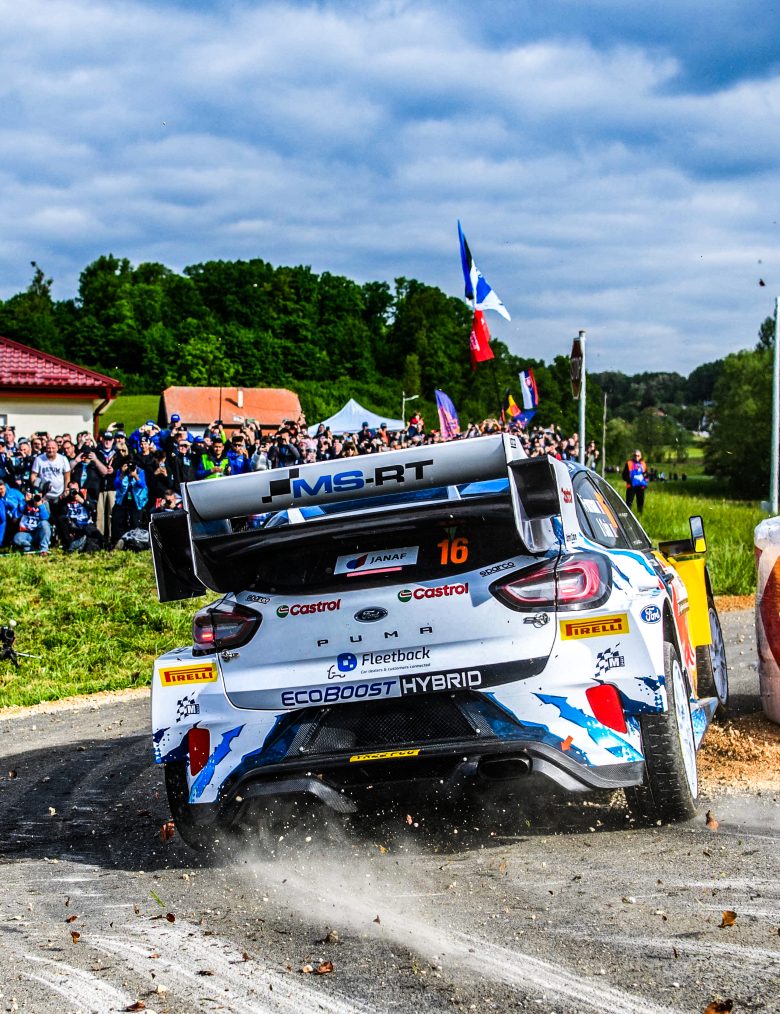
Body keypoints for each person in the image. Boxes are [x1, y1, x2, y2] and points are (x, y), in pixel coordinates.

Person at [13, 491, 51, 555]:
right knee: (16, 538)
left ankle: (44, 549)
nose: (35, 497)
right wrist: (24, 501)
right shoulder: (24, 503)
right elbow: (15, 516)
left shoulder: (45, 503)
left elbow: (45, 518)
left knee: (45, 523)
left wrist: (40, 505)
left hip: (38, 533)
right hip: (26, 533)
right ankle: (30, 547)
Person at [622, 448, 649, 514]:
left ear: (641, 456)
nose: (636, 457)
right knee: (629, 503)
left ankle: (640, 515)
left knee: (640, 503)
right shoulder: (629, 463)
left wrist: (645, 482)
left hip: (641, 487)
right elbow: (624, 476)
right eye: (635, 455)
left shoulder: (643, 464)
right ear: (633, 456)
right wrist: (631, 482)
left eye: (638, 455)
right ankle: (627, 516)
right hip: (631, 487)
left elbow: (646, 475)